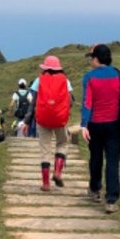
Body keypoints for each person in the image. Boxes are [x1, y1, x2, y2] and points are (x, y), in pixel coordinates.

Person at [81, 43, 120, 213]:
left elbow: (87, 103)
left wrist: (84, 125)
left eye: (92, 58)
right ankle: (111, 200)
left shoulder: (89, 77)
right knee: (112, 161)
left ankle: (95, 190)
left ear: (96, 59)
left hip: (95, 125)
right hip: (115, 125)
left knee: (95, 158)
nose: (91, 61)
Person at [26, 55, 74, 191]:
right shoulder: (65, 80)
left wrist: (27, 120)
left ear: (45, 67)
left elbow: (33, 101)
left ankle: (46, 183)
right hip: (60, 119)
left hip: (43, 119)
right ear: (58, 68)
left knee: (45, 149)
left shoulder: (38, 80)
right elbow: (70, 101)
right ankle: (58, 172)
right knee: (63, 143)